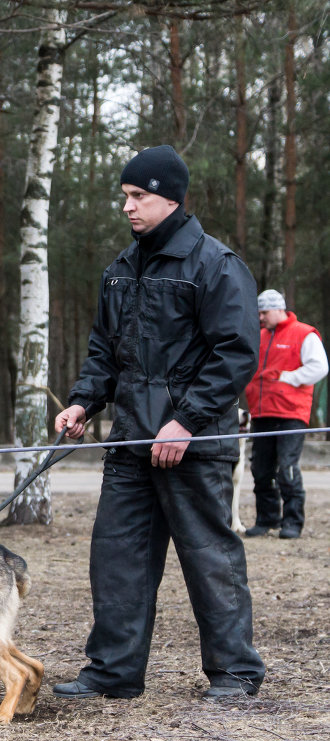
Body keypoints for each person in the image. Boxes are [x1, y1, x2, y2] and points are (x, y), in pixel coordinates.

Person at [52, 145, 265, 701]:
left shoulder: (216, 265)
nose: (127, 207)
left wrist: (186, 422)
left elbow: (236, 353)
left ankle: (235, 672)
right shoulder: (120, 271)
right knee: (117, 560)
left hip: (192, 444)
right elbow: (105, 350)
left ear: (170, 198)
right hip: (130, 443)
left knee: (209, 558)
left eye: (138, 196)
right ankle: (113, 673)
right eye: (125, 196)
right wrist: (82, 403)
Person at [243, 289, 328, 540]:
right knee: (260, 468)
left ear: (279, 309)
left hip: (291, 412)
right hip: (261, 411)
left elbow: (319, 367)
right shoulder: (258, 337)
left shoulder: (304, 333)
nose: (260, 317)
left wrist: (290, 378)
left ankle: (292, 521)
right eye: (258, 312)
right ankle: (266, 518)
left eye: (264, 312)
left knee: (287, 468)